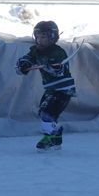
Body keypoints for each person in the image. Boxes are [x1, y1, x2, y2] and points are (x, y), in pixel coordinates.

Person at [15, 20, 76, 151]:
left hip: (63, 90)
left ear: (52, 37)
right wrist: (24, 65)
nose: (39, 40)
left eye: (43, 37)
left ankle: (49, 138)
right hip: (50, 89)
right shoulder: (36, 51)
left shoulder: (58, 52)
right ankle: (56, 135)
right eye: (38, 37)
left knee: (47, 114)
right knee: (44, 113)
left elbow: (59, 71)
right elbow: (28, 58)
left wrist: (52, 67)